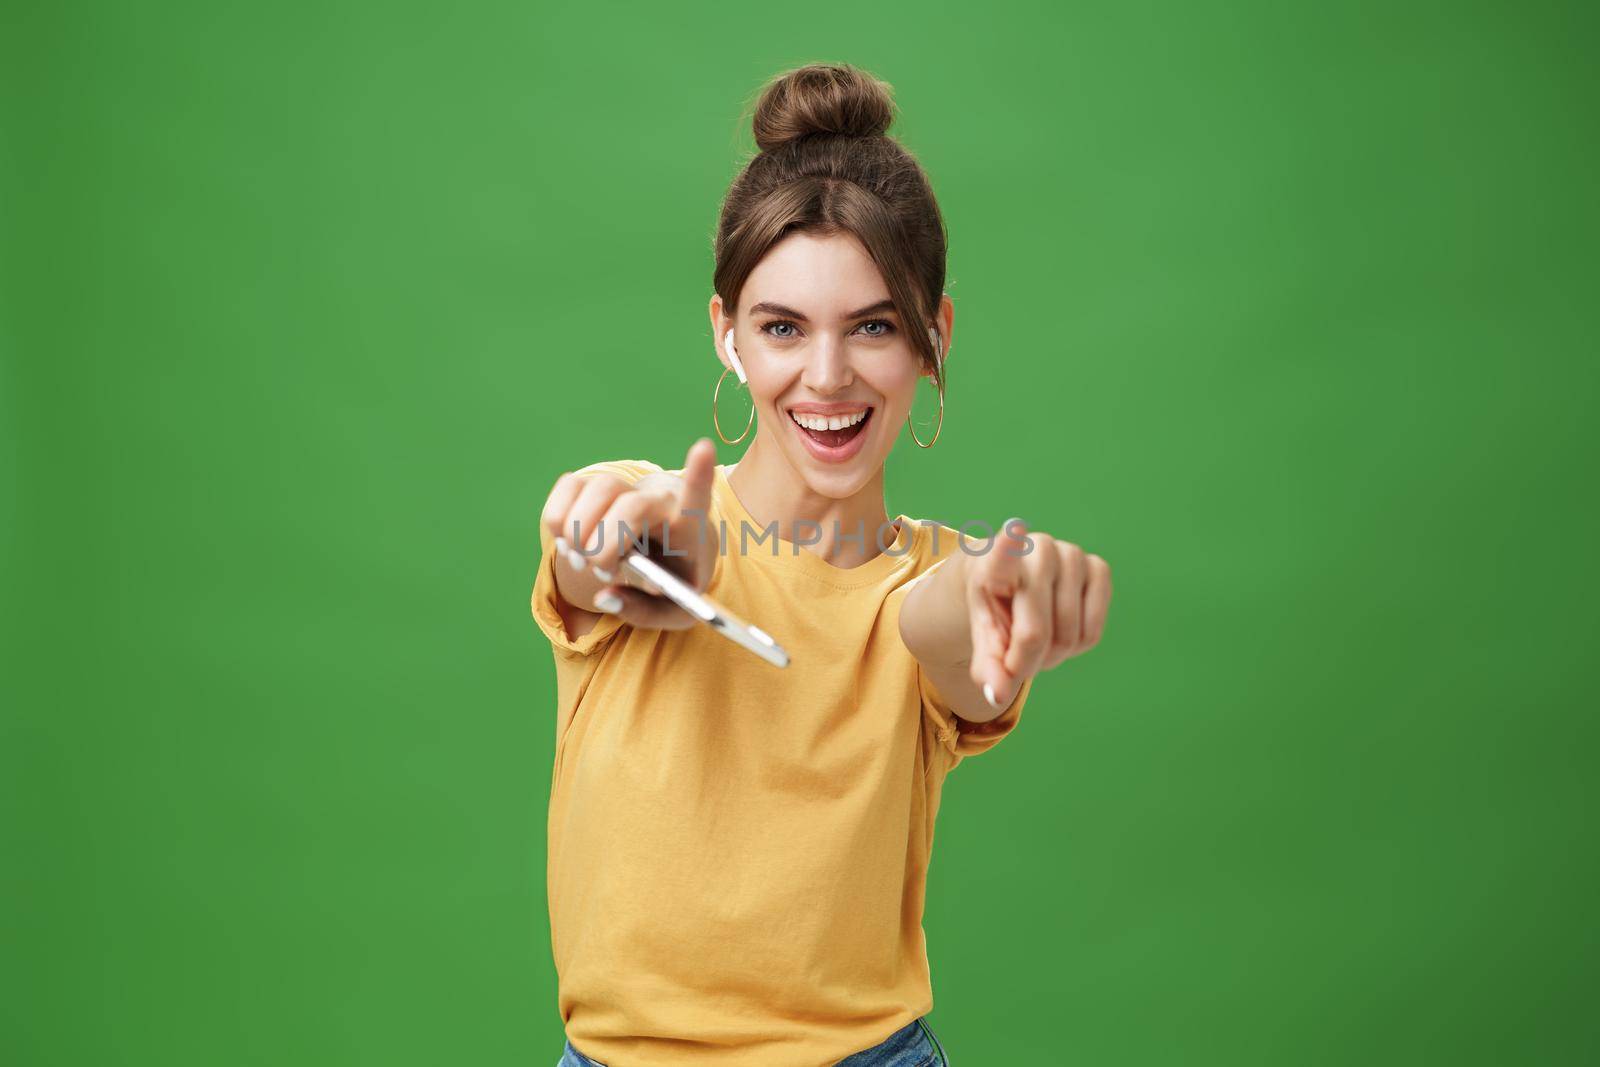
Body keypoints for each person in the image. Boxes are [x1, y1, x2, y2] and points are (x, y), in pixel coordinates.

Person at [531, 62, 1113, 1067]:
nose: (828, 376)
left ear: (934, 338)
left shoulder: (928, 583)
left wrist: (993, 587)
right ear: (728, 336)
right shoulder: (646, 509)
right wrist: (634, 553)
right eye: (782, 327)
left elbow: (936, 618)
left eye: (875, 326)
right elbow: (596, 557)